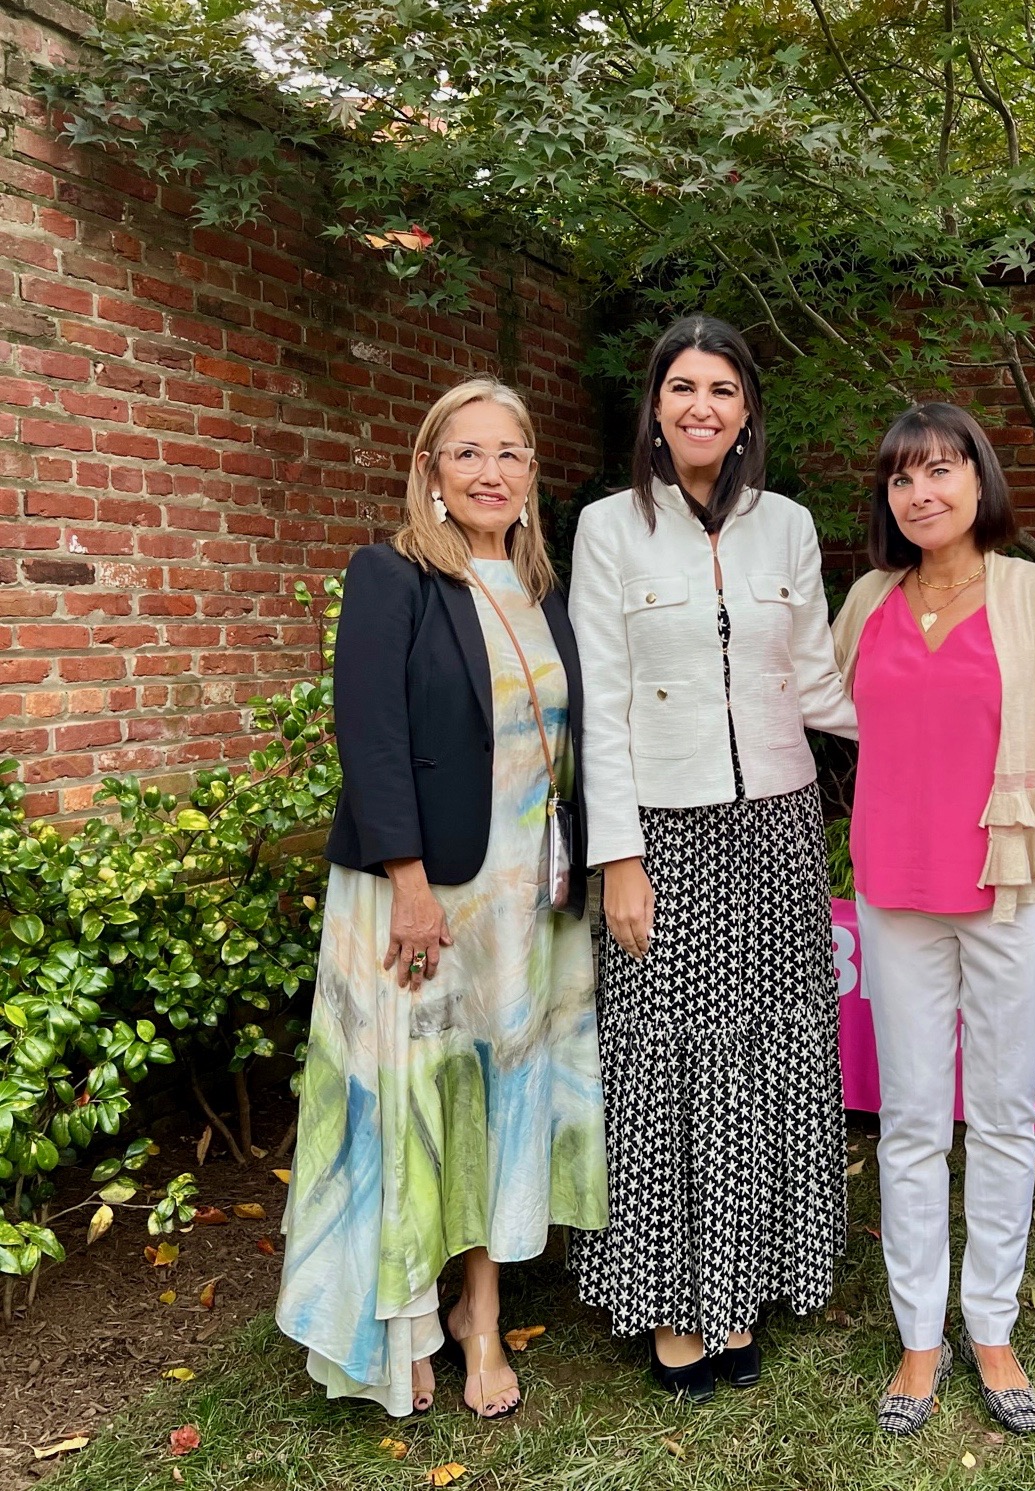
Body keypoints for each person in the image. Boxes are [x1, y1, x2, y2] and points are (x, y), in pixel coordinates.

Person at [276, 378, 606, 1419]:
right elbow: (369, 737)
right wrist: (411, 887)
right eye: (465, 453)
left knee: (497, 1093)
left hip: (527, 904)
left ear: (532, 474)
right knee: (414, 1099)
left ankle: (481, 1314)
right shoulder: (393, 576)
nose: (489, 472)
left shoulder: (548, 589)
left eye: (509, 453)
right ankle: (401, 1315)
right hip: (424, 894)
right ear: (430, 469)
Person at [566, 314, 856, 1402]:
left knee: (771, 1049)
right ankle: (677, 1301)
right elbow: (597, 706)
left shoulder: (787, 525)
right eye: (682, 387)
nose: (702, 406)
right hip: (665, 834)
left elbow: (820, 681)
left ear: (747, 413)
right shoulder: (607, 528)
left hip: (778, 827)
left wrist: (945, 726)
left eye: (723, 390)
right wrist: (618, 857)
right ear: (656, 405)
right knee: (670, 1051)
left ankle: (753, 1276)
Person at [830, 402, 1035, 1436]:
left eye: (940, 471)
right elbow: (808, 696)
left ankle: (990, 1326)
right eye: (902, 480)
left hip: (1014, 894)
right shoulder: (867, 598)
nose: (921, 494)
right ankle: (919, 1338)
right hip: (895, 895)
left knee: (1000, 1115)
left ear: (979, 481)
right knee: (908, 1122)